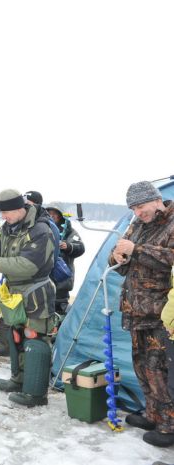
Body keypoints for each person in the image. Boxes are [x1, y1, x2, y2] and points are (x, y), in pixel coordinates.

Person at [109, 181, 174, 447]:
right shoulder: (136, 226)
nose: (138, 212)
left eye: (141, 206)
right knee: (142, 366)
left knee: (162, 370)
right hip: (136, 310)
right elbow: (119, 263)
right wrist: (116, 257)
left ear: (156, 200)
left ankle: (169, 425)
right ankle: (153, 413)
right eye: (133, 208)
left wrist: (138, 250)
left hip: (163, 313)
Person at [0, 189, 55, 407]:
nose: (4, 217)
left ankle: (36, 393)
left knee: (34, 338)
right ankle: (19, 380)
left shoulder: (40, 230)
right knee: (16, 336)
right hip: (14, 293)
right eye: (1, 213)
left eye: (6, 212)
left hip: (36, 293)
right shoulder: (9, 226)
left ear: (20, 208)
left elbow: (28, 265)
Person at [45, 205, 85, 319]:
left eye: (55, 213)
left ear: (61, 215)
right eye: (49, 213)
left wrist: (67, 246)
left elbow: (81, 247)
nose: (52, 216)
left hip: (62, 278)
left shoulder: (70, 231)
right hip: (44, 278)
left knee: (61, 308)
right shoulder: (42, 229)